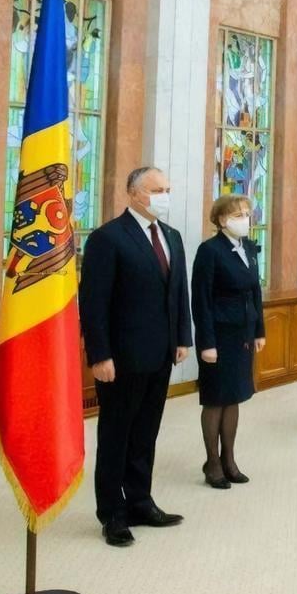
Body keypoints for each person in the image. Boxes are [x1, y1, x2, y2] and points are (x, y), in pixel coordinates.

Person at [78, 166, 191, 547]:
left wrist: (182, 337)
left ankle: (141, 502)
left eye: (167, 188)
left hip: (161, 354)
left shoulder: (172, 236)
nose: (164, 195)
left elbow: (178, 292)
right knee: (116, 435)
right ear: (133, 194)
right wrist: (100, 355)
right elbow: (94, 303)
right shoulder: (108, 238)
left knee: (146, 433)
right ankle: (112, 513)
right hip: (121, 358)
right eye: (156, 189)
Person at [191, 194, 266, 488]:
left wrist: (259, 330)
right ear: (222, 220)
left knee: (233, 395)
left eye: (247, 214)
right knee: (215, 399)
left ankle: (229, 460)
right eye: (238, 215)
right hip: (218, 335)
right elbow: (201, 301)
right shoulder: (210, 250)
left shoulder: (248, 247)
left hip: (242, 335)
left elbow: (255, 292)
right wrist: (207, 343)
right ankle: (212, 463)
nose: (245, 219)